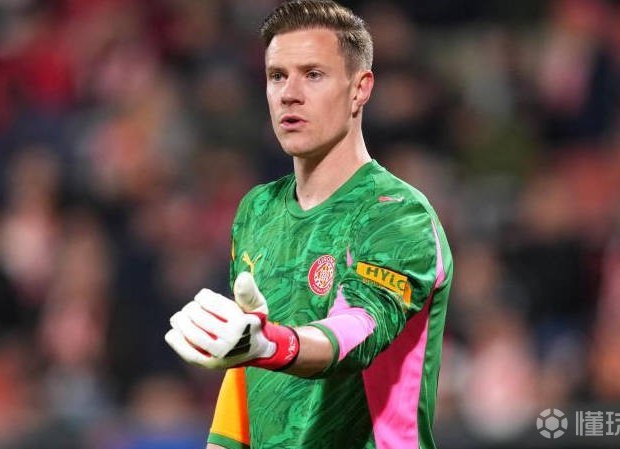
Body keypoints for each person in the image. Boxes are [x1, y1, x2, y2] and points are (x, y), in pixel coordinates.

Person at [164, 1, 453, 448]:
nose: (289, 93)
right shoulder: (258, 209)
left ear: (360, 89)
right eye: (277, 76)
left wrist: (272, 345)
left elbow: (359, 328)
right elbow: (245, 361)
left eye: (313, 75)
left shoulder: (397, 215)